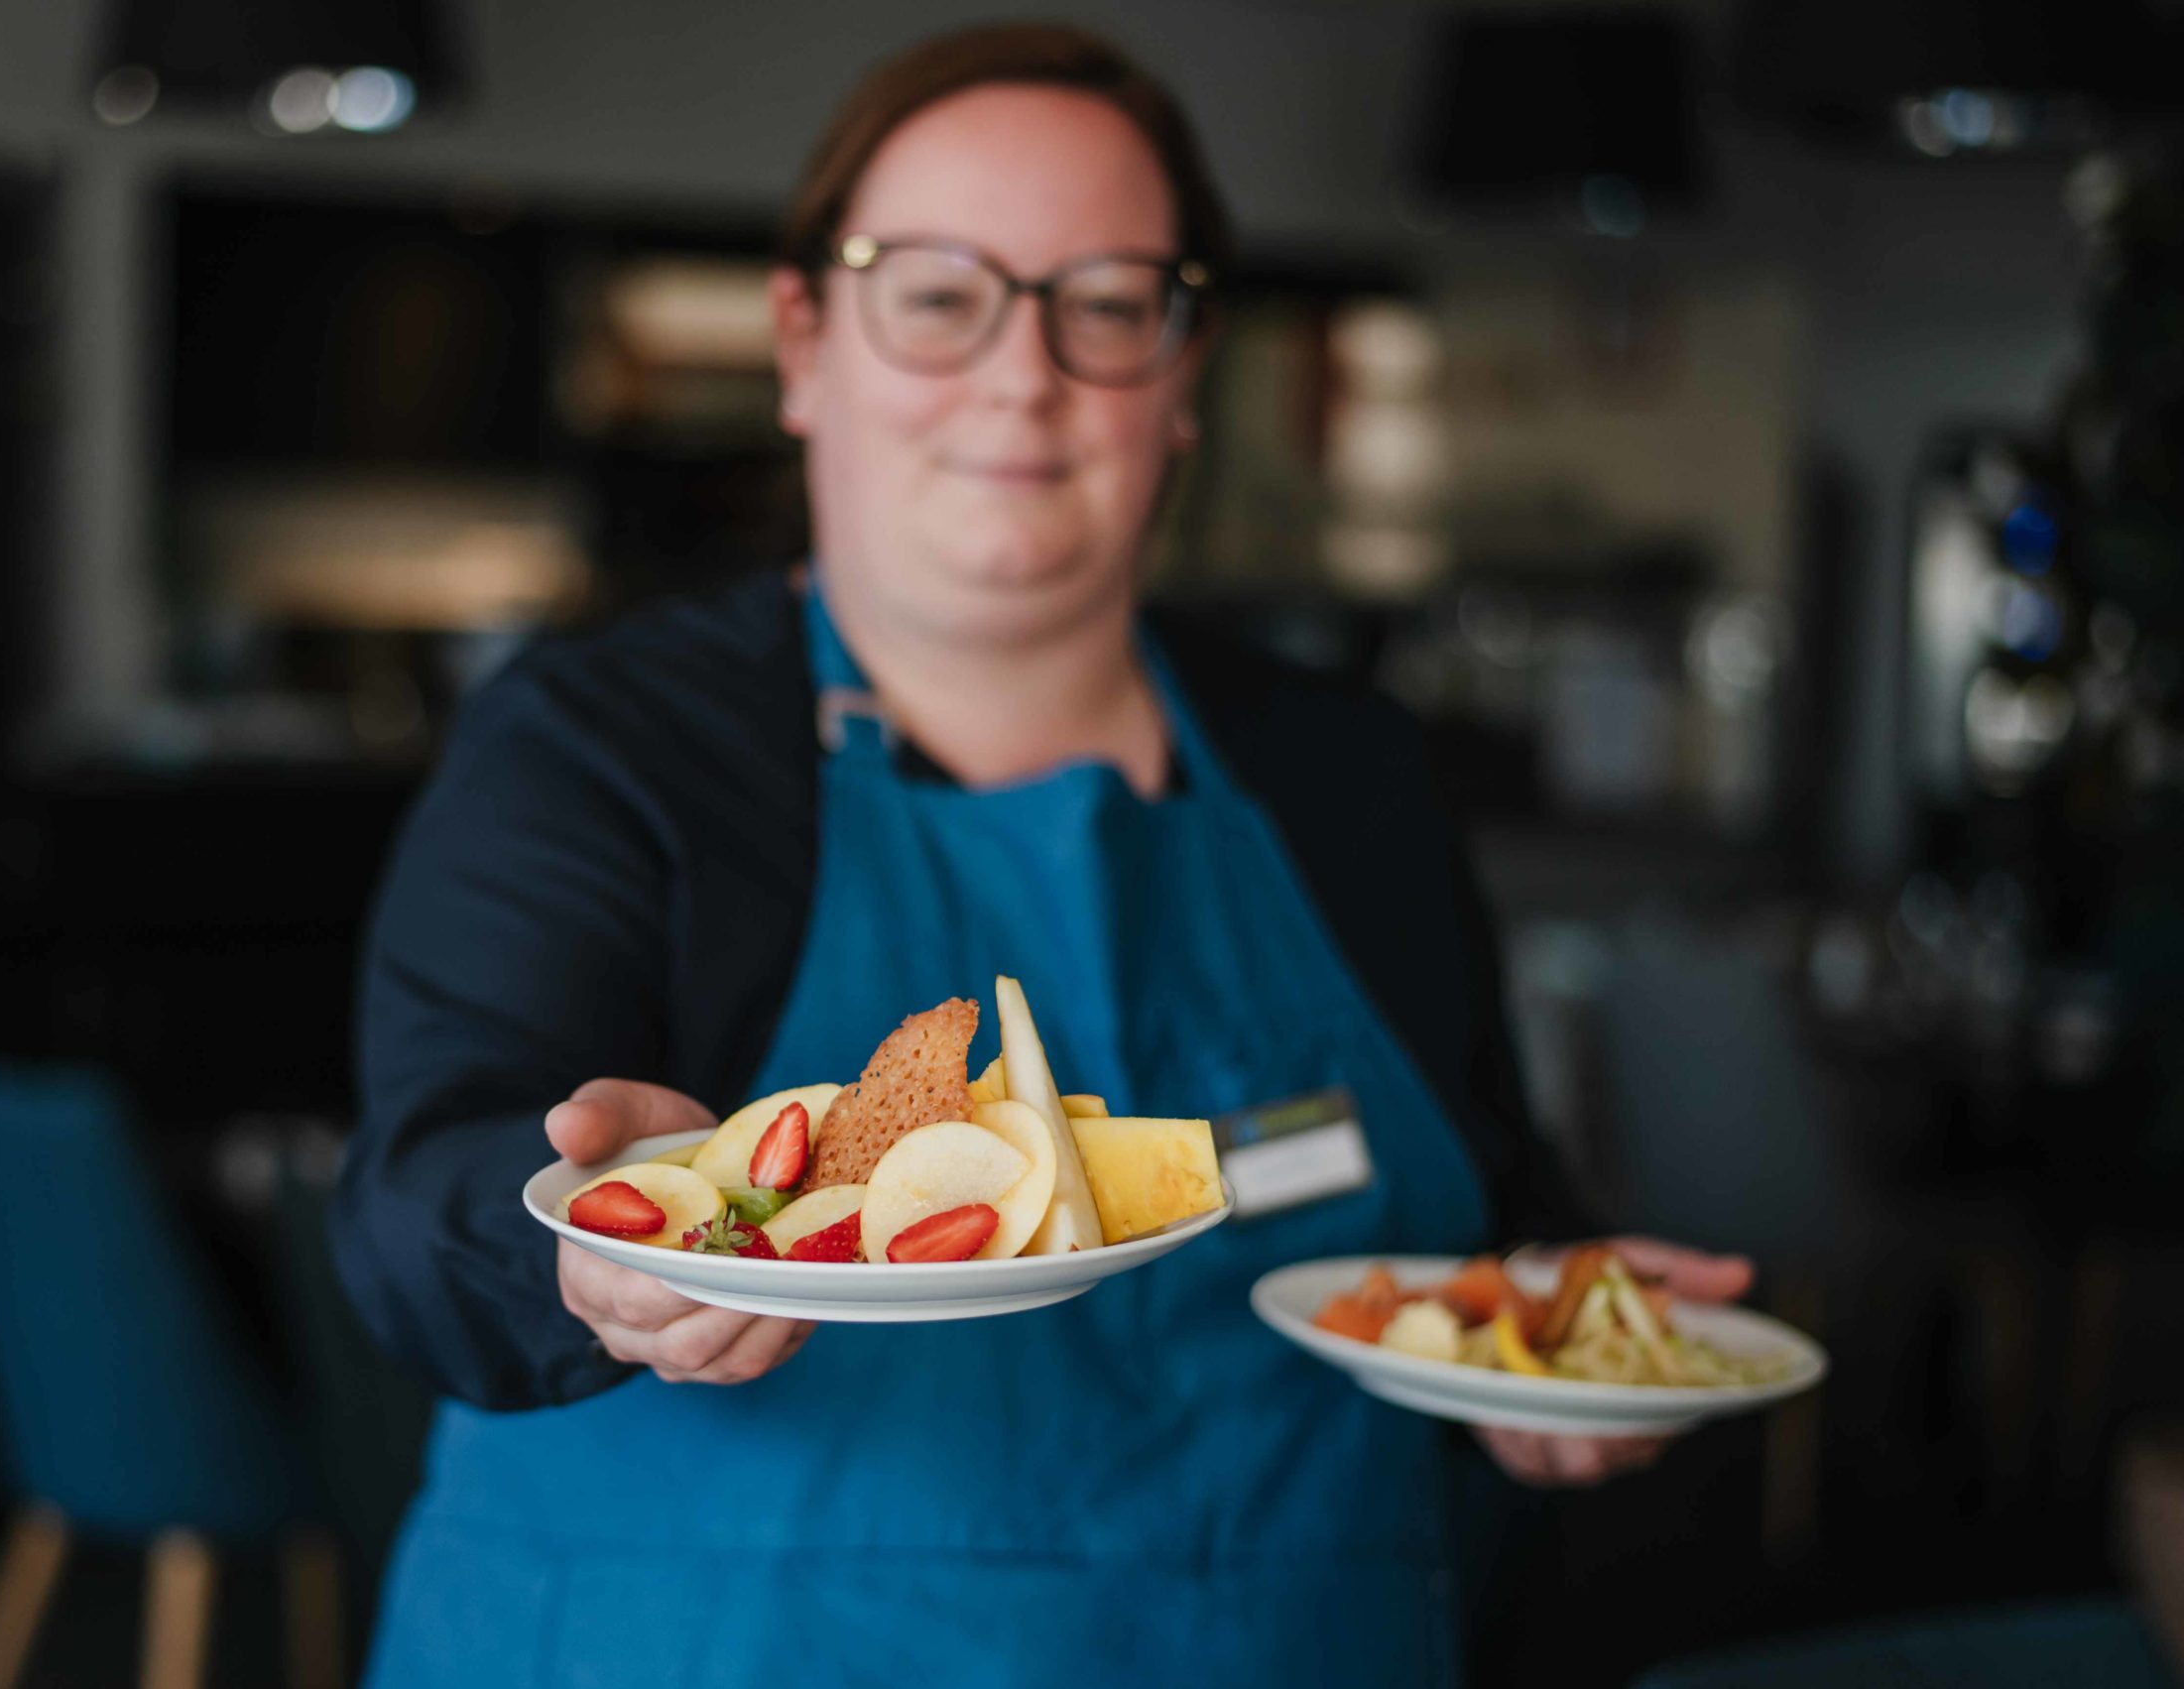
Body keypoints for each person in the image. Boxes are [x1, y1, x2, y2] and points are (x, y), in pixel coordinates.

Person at [331, 23, 1751, 1688]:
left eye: (1104, 301)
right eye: (938, 295)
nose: (1024, 374)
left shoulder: (1347, 777)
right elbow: (415, 1208)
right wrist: (586, 1245)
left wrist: (1548, 1331)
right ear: (804, 346)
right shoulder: (598, 750)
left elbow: (1489, 1222)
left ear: (1183, 375)